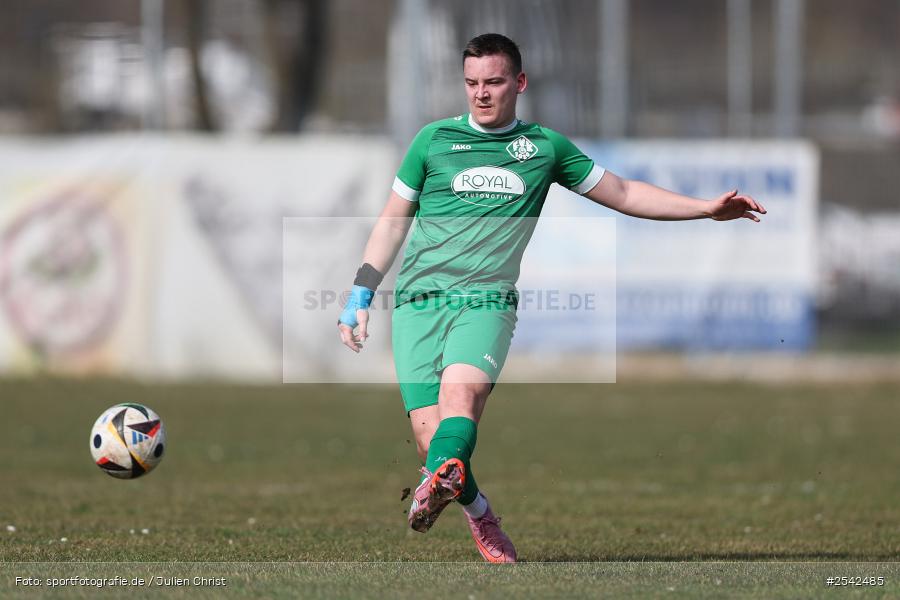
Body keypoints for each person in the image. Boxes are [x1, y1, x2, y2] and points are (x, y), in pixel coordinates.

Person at [337, 33, 765, 563]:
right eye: (471, 83)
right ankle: (479, 511)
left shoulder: (544, 148)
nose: (481, 93)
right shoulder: (433, 140)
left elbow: (624, 193)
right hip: (418, 303)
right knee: (434, 446)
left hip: (486, 301)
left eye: (494, 82)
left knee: (461, 404)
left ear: (519, 82)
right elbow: (392, 221)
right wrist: (361, 292)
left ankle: (452, 488)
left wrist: (704, 208)